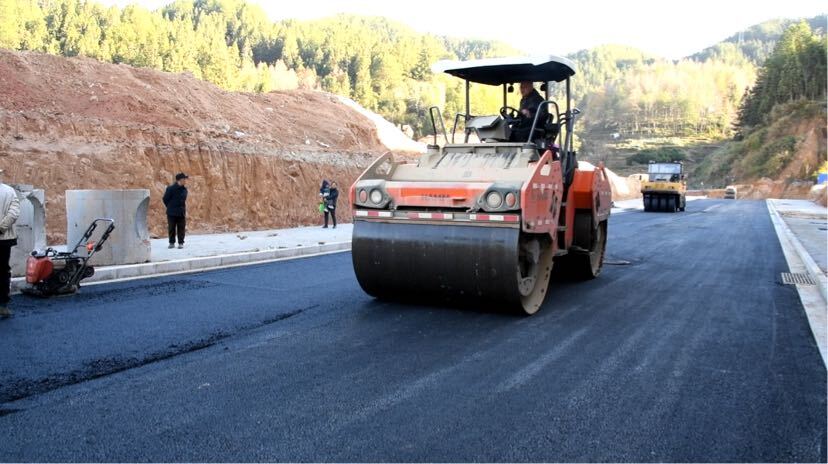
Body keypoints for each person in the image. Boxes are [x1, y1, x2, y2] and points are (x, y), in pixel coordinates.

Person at [0, 170, 20, 319]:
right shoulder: (9, 191)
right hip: (4, 238)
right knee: (3, 270)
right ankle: (2, 305)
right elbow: (13, 213)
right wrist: (1, 228)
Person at [163, 172, 189, 249]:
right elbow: (165, 199)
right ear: (180, 180)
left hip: (181, 212)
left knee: (181, 227)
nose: (185, 180)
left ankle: (181, 242)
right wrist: (170, 207)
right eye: (184, 179)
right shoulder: (170, 188)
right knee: (171, 227)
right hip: (172, 212)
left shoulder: (184, 189)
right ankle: (171, 242)